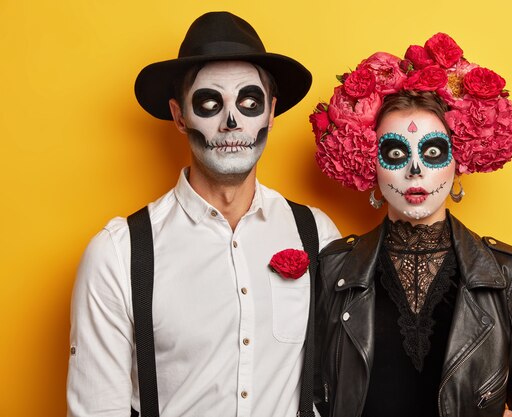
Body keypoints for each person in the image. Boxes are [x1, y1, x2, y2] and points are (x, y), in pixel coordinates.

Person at [67, 11, 340, 417]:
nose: (232, 122)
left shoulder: (316, 234)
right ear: (180, 116)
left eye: (249, 102)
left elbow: (335, 387)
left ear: (270, 112)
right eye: (209, 103)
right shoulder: (118, 255)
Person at [310, 34, 512, 417]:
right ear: (369, 162)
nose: (415, 170)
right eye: (394, 152)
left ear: (460, 160)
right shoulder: (334, 269)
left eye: (434, 151)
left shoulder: (506, 273)